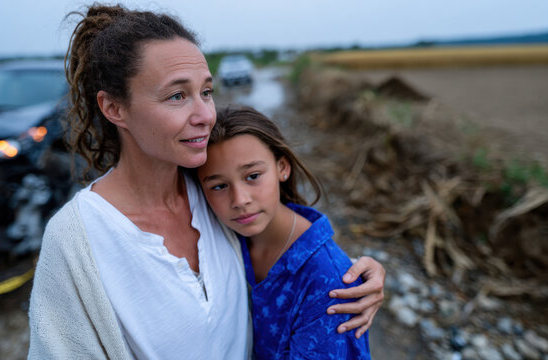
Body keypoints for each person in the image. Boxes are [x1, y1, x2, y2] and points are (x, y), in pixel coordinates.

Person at [28, 4, 384, 359]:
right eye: (177, 95)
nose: (204, 115)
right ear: (114, 108)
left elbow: (291, 252)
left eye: (207, 92)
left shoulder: (212, 192)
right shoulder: (75, 242)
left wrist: (350, 275)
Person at [197, 106, 371, 359]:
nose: (239, 200)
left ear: (282, 167)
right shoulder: (221, 237)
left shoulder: (330, 283)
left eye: (253, 176)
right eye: (219, 186)